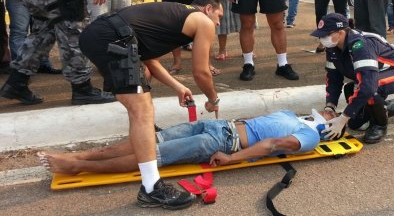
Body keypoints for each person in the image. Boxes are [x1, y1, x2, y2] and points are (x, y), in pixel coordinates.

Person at [78, 0, 223, 209]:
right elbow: (201, 72)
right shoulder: (202, 21)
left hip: (104, 33)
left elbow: (149, 61)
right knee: (143, 111)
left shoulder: (174, 15)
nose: (218, 23)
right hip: (112, 36)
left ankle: (146, 162)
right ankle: (151, 188)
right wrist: (213, 99)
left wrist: (178, 87)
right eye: (218, 16)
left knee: (142, 91)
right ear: (208, 9)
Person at [38, 108, 337, 175]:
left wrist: (231, 158)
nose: (328, 108)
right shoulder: (295, 115)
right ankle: (84, 156)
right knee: (147, 139)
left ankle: (78, 167)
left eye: (331, 111)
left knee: (153, 153)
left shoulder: (310, 135)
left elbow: (272, 145)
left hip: (220, 143)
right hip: (218, 125)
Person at [310, 13, 394, 144]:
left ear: (340, 33)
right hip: (376, 74)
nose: (322, 39)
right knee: (355, 122)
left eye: (325, 35)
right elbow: (333, 78)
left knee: (371, 90)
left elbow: (368, 86)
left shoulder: (361, 45)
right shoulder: (333, 48)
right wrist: (330, 107)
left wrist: (343, 118)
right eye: (320, 35)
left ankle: (380, 125)